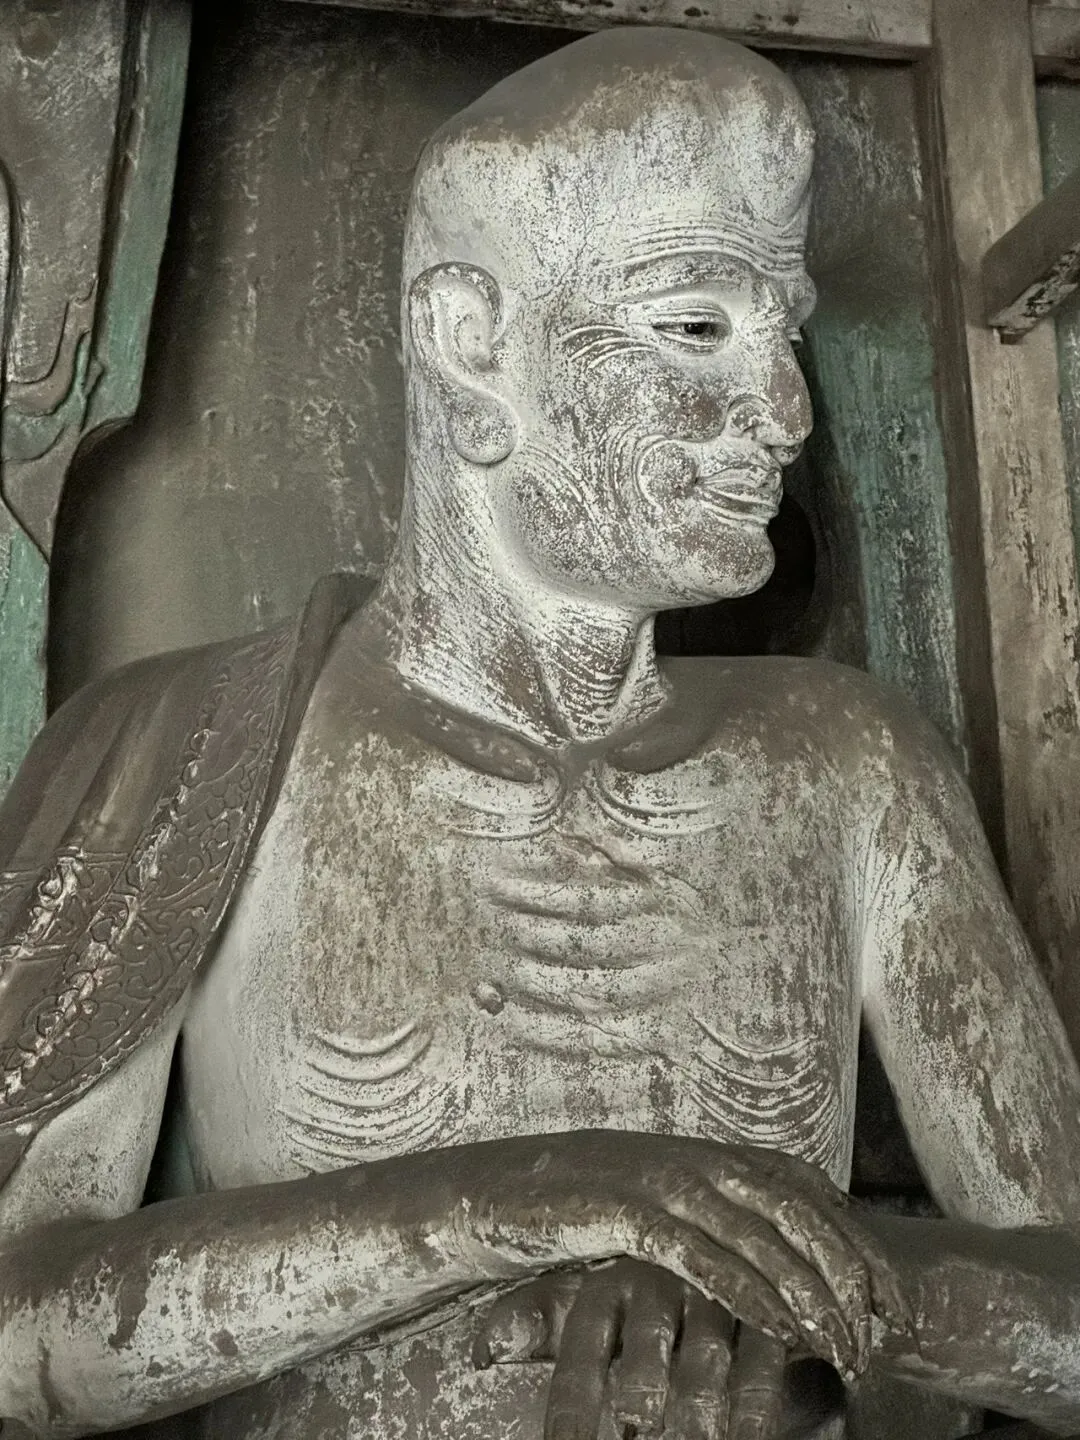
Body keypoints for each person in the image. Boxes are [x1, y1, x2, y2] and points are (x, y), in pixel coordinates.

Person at [1, 26, 1080, 1440]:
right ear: (474, 344)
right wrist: (509, 1204)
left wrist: (818, 1285)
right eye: (697, 329)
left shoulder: (850, 762)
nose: (782, 412)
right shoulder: (185, 746)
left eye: (785, 334)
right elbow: (15, 1334)